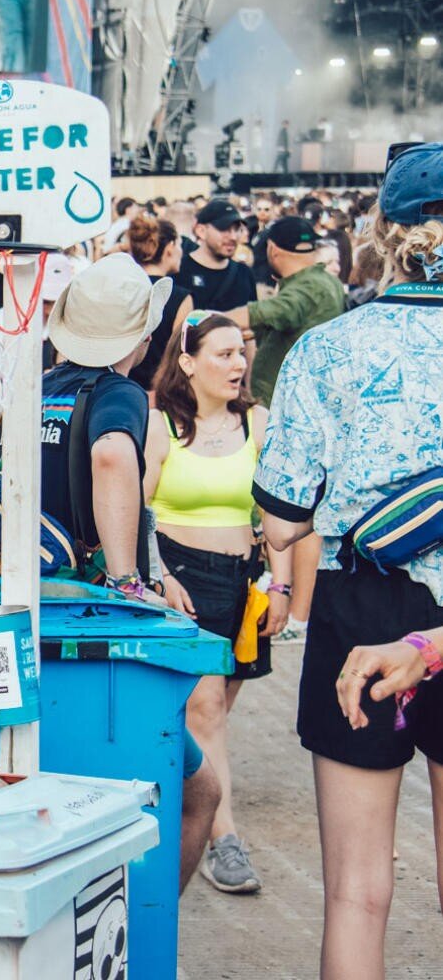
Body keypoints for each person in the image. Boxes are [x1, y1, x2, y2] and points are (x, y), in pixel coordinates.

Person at [253, 142, 443, 980]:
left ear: (384, 230)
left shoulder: (327, 349)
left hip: (362, 607)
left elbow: (282, 515)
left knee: (356, 896)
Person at [42, 255, 222, 891]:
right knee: (198, 790)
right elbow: (114, 457)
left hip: (33, 605)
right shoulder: (118, 394)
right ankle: (148, 916)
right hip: (92, 615)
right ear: (142, 337)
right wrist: (127, 578)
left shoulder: (42, 386)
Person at [144, 311, 295, 894]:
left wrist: (279, 586)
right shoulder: (162, 425)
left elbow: (274, 515)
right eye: (224, 354)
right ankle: (223, 840)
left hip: (241, 582)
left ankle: (175, 808)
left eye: (242, 353)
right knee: (205, 711)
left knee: (212, 718)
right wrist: (156, 578)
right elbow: (138, 508)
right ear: (188, 362)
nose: (238, 364)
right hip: (181, 579)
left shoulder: (257, 421)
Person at [224, 215, 345, 407]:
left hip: (288, 410)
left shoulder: (309, 287)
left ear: (272, 249)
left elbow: (275, 310)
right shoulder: (325, 281)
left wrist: (209, 320)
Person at [122, 216, 193, 389]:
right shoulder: (180, 298)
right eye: (179, 245)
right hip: (160, 391)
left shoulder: (122, 288)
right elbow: (180, 352)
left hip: (120, 387)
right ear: (169, 248)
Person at [174, 200, 257, 313]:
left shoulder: (244, 273)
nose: (233, 236)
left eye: (237, 229)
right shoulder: (180, 271)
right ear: (201, 231)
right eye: (224, 228)